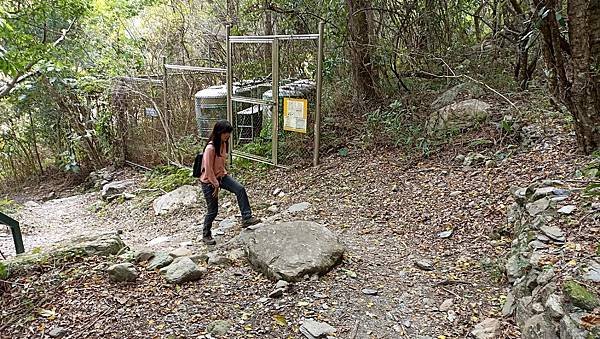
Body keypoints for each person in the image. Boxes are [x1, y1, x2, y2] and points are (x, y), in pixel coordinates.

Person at [199, 120, 260, 245]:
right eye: (226, 133)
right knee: (213, 211)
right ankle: (206, 235)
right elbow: (208, 170)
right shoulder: (210, 148)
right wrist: (215, 185)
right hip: (209, 182)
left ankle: (247, 217)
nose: (228, 136)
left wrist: (224, 174)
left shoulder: (223, 144)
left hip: (222, 177)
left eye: (229, 133)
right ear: (219, 132)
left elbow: (221, 163)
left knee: (240, 189)